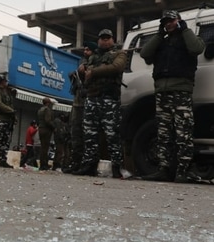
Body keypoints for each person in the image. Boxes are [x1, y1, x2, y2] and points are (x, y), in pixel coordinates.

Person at [139, 10, 205, 183]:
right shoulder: (162, 41)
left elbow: (197, 48)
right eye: (166, 21)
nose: (168, 24)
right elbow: (145, 53)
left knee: (183, 133)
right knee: (163, 134)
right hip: (162, 92)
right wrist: (159, 34)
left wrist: (184, 29)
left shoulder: (187, 38)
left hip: (181, 91)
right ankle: (164, 169)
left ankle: (183, 171)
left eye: (171, 20)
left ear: (178, 21)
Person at [74, 29, 127, 178]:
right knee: (90, 134)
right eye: (102, 38)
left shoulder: (119, 54)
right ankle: (89, 165)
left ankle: (117, 167)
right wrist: (83, 69)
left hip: (109, 99)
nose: (105, 41)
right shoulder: (93, 56)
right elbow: (84, 70)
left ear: (112, 40)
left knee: (112, 135)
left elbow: (117, 67)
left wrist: (93, 72)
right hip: (92, 98)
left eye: (107, 38)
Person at [65, 41, 97, 174]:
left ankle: (87, 165)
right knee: (75, 135)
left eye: (88, 50)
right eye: (85, 50)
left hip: (89, 105)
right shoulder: (81, 65)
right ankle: (75, 163)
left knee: (88, 137)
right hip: (78, 104)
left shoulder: (96, 64)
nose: (85, 52)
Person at [37, 97, 55, 170]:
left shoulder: (40, 109)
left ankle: (43, 164)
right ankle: (43, 165)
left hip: (41, 128)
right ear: (47, 103)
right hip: (46, 129)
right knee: (45, 148)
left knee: (43, 147)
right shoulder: (47, 110)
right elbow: (48, 120)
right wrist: (54, 127)